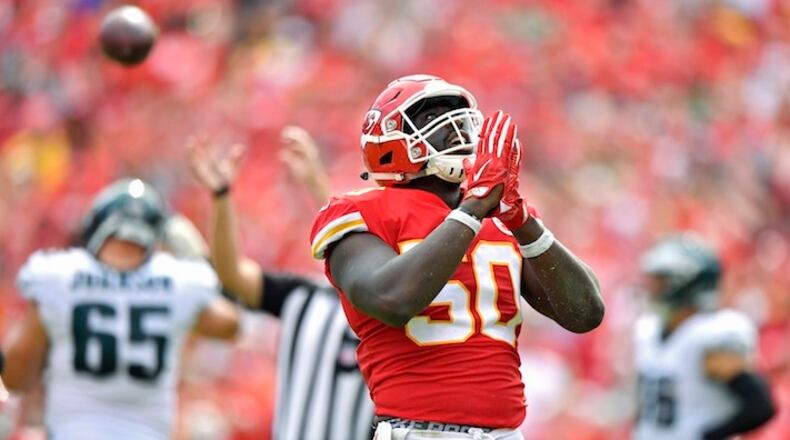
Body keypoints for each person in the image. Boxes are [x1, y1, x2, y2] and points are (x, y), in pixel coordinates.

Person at [310, 74, 605, 440]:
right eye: (433, 115)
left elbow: (585, 313)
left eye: (459, 116)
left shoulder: (500, 216)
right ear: (390, 140)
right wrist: (472, 209)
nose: (456, 129)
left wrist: (522, 220)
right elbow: (391, 299)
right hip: (418, 433)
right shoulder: (361, 210)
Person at [0, 178, 240, 440]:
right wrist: (195, 254)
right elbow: (232, 323)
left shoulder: (59, 276)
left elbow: (15, 378)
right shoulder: (179, 281)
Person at [187, 127, 374, 440]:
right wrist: (221, 198)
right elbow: (230, 272)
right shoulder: (302, 296)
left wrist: (317, 184)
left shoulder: (396, 305)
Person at [634, 234, 776, 440]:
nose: (652, 289)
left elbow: (760, 406)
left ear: (684, 283)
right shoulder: (649, 331)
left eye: (661, 281)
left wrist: (709, 435)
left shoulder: (709, 334)